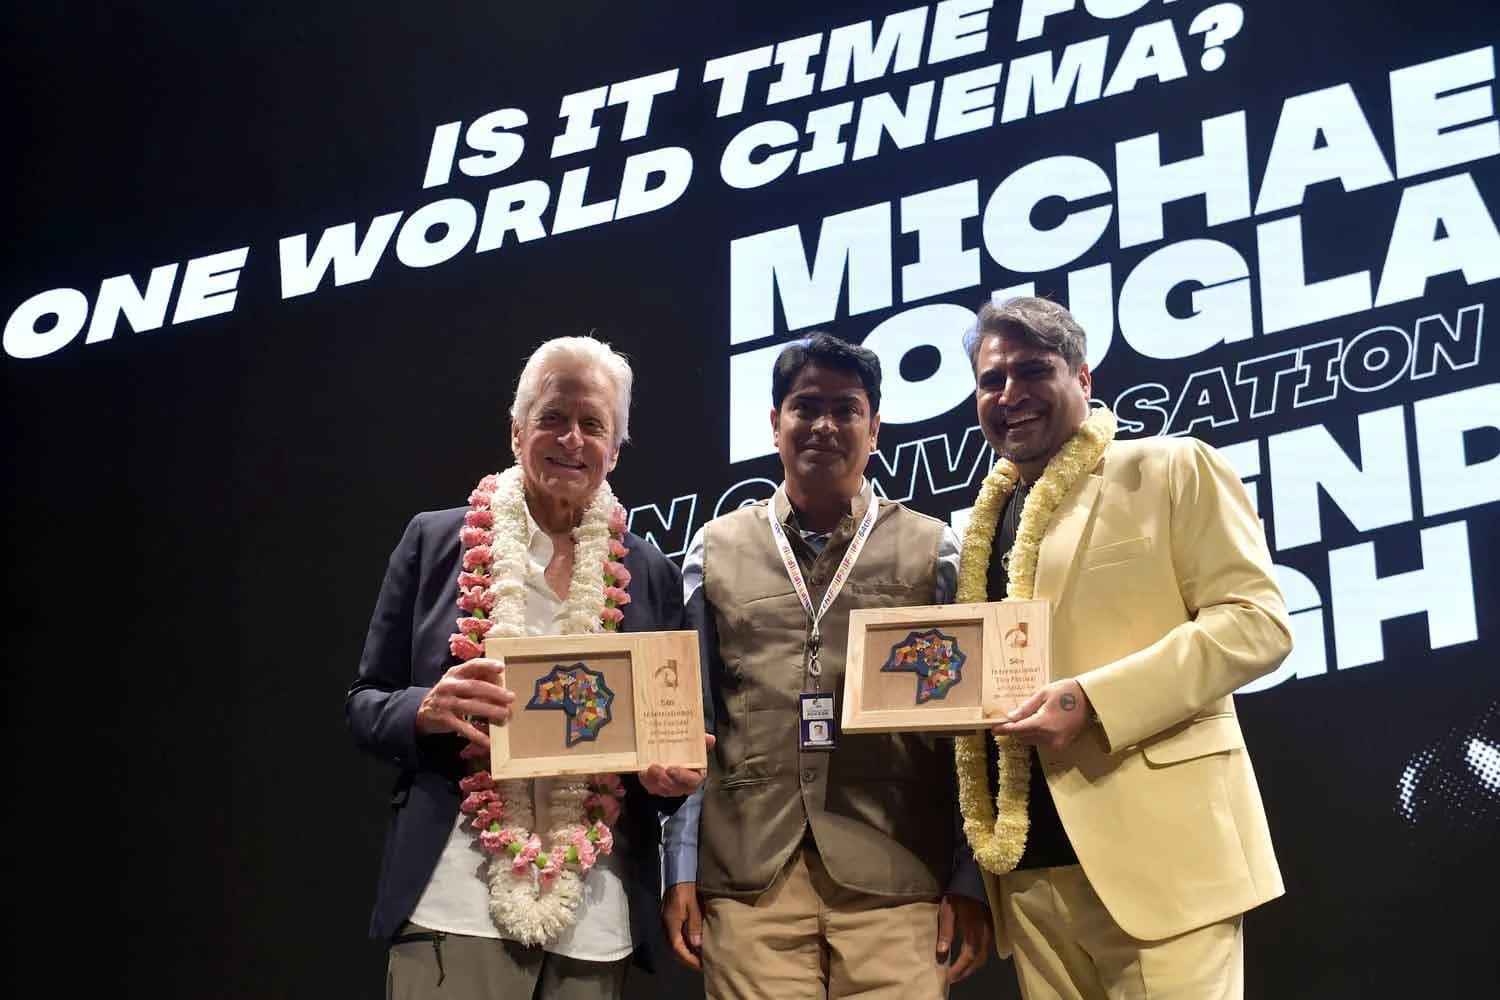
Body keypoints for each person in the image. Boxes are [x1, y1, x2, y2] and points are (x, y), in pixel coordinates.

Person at [346, 336, 704, 1000]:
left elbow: (664, 758)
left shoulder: (650, 573)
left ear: (615, 449)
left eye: (592, 424)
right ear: (517, 431)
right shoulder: (434, 541)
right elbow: (366, 701)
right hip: (455, 899)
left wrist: (670, 779)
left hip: (594, 919)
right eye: (552, 417)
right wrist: (423, 710)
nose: (570, 438)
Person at [955, 297, 1292, 999]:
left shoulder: (1169, 468)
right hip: (1030, 874)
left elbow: (1257, 624)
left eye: (1031, 370)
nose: (1009, 395)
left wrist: (1093, 699)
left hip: (1165, 859)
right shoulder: (976, 527)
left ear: (1084, 376)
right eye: (992, 381)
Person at [661, 332, 992, 1000]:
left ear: (875, 428)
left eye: (846, 409)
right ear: (774, 423)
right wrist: (679, 867)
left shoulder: (938, 550)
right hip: (749, 879)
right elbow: (686, 718)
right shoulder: (712, 550)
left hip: (897, 878)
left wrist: (969, 876)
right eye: (806, 406)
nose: (824, 425)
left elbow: (972, 730)